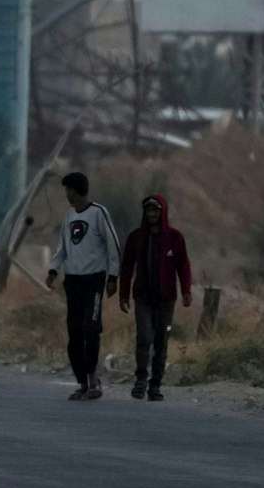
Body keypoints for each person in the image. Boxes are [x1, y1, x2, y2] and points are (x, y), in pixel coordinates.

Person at [44, 172, 119, 401]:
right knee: (74, 332)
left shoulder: (98, 213)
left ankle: (93, 378)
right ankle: (82, 382)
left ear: (76, 191)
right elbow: (62, 247)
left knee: (91, 328)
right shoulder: (68, 216)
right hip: (73, 281)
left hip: (93, 280)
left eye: (68, 190)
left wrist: (113, 277)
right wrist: (53, 269)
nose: (66, 194)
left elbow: (112, 245)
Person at [117, 195, 193, 402]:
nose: (151, 214)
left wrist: (186, 291)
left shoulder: (175, 238)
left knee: (162, 341)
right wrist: (123, 294)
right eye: (148, 210)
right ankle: (141, 379)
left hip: (166, 299)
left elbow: (183, 266)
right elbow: (126, 268)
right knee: (144, 338)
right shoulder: (136, 237)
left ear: (163, 212)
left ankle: (156, 384)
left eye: (155, 210)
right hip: (142, 298)